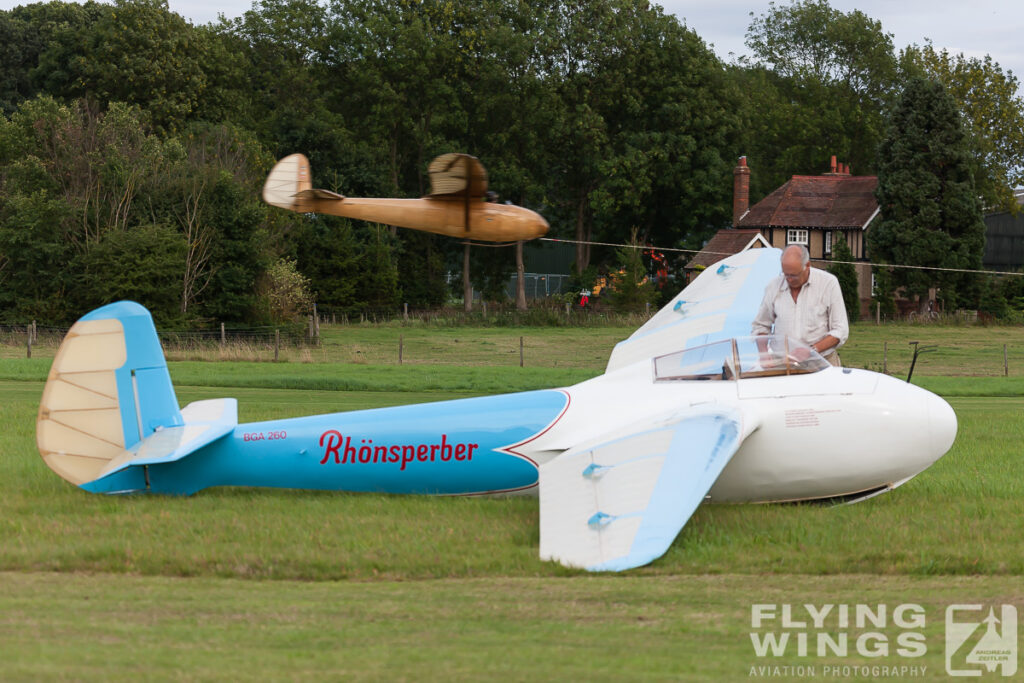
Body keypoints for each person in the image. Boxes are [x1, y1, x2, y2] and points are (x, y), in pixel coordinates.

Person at [751, 244, 849, 366]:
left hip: (821, 361)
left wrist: (811, 350)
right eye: (786, 274)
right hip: (782, 362)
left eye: (794, 275)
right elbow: (761, 326)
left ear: (807, 266)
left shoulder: (828, 283)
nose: (789, 279)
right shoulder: (773, 286)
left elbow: (840, 330)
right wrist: (764, 354)